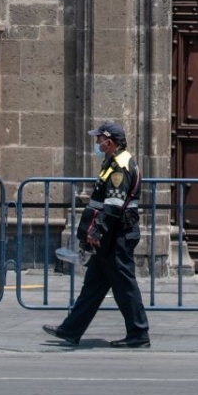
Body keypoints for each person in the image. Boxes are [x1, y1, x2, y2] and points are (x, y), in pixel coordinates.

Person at [43, 122, 150, 348]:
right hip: (112, 235)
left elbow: (113, 205)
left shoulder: (119, 166)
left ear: (109, 142)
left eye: (99, 139)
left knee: (124, 286)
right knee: (93, 284)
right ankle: (71, 330)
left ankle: (139, 333)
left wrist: (96, 230)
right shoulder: (113, 162)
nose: (96, 143)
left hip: (117, 234)